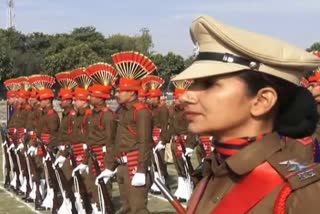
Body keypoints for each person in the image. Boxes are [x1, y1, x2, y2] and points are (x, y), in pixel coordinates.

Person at [173, 15, 320, 213]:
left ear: (261, 101)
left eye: (209, 84)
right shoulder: (212, 173)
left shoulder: (299, 195)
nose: (186, 97)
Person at [97, 51, 155, 214]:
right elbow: (117, 140)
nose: (116, 94)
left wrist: (142, 170)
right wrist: (110, 166)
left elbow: (145, 142)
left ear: (132, 92)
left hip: (135, 164)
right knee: (127, 207)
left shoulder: (141, 112)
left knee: (138, 208)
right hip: (122, 164)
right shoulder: (122, 112)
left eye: (121, 91)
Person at [143, 75, 170, 194]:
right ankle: (157, 181)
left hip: (159, 137)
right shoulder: (151, 108)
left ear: (156, 97)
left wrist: (163, 141)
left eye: (150, 97)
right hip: (152, 136)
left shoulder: (162, 109)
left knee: (160, 161)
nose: (148, 99)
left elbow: (165, 126)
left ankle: (164, 182)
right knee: (154, 161)